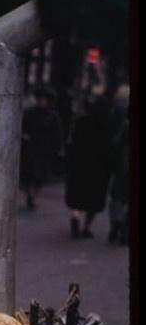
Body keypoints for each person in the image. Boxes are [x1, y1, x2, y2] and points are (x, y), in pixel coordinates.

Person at [65, 95, 114, 239]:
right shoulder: (107, 125)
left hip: (80, 165)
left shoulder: (81, 122)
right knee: (94, 200)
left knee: (77, 196)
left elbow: (72, 144)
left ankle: (75, 215)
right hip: (99, 169)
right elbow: (110, 149)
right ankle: (86, 227)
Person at [21, 86, 62, 210]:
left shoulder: (53, 116)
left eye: (44, 99)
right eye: (40, 99)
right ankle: (30, 195)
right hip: (31, 147)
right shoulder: (29, 113)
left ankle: (33, 196)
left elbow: (57, 134)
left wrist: (56, 149)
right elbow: (23, 127)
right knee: (28, 174)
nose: (41, 102)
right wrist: (24, 135)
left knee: (40, 176)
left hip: (44, 149)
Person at [108, 85, 129, 245]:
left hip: (123, 167)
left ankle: (117, 221)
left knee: (117, 198)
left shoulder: (125, 124)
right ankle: (125, 231)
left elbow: (115, 144)